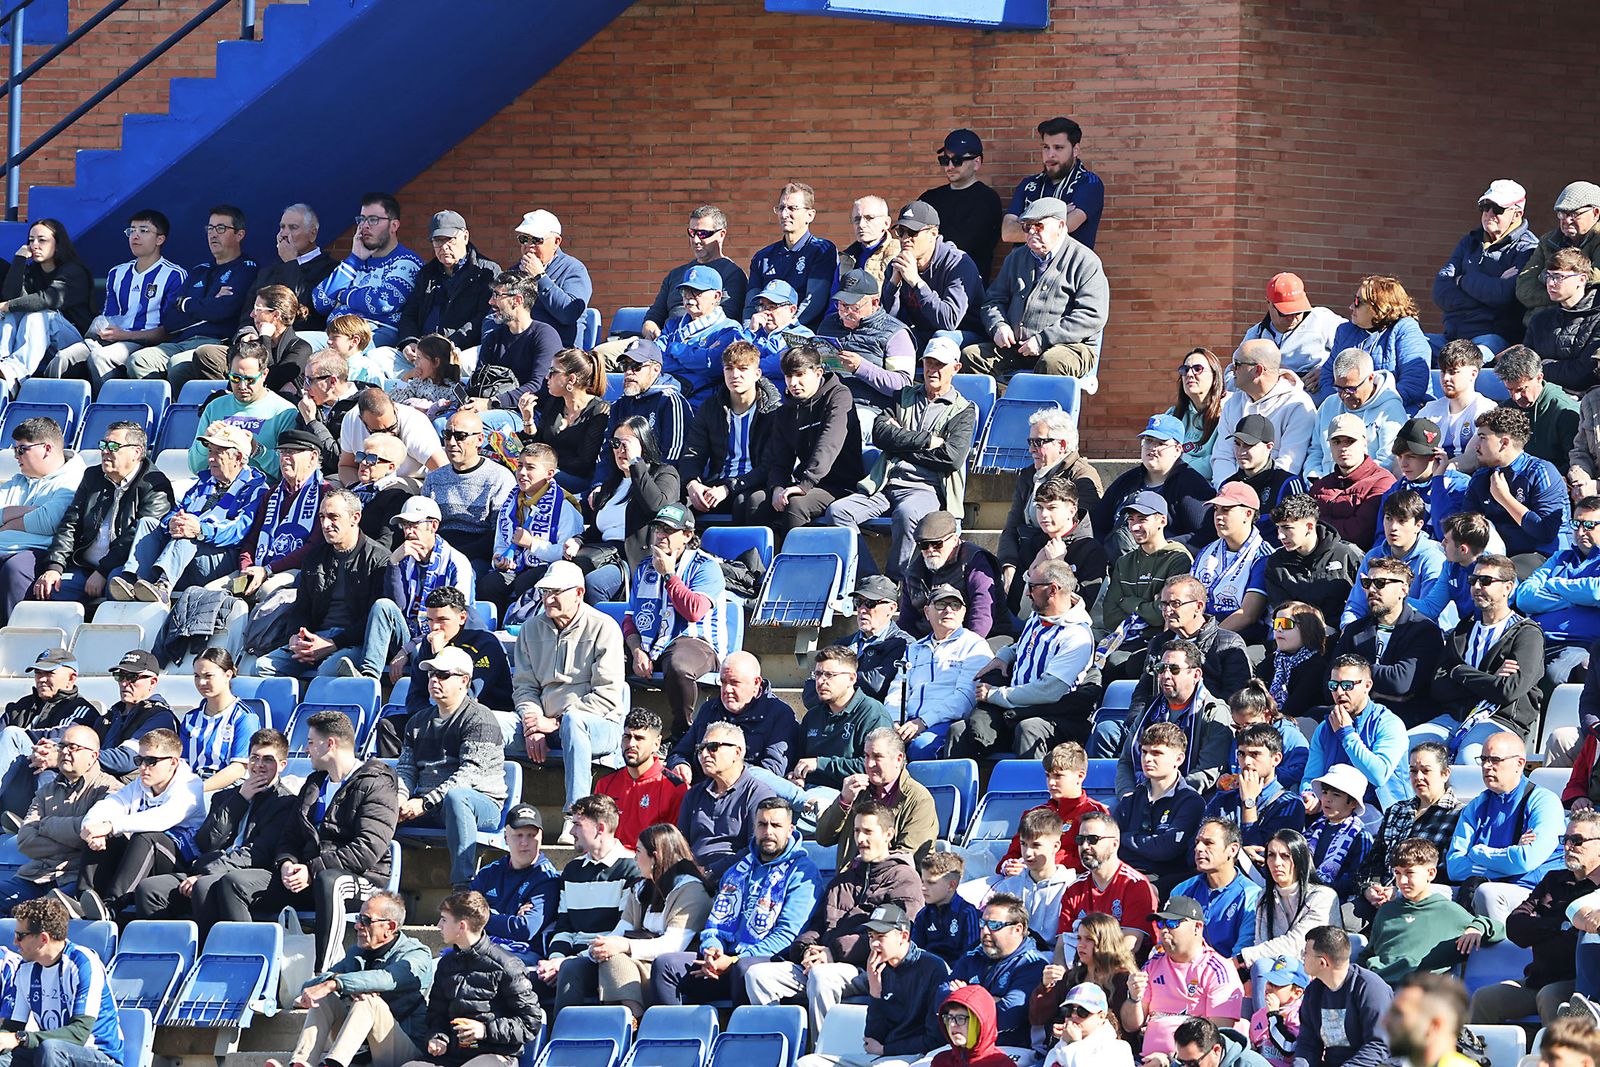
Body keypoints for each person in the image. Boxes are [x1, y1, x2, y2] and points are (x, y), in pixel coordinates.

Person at [203, 710, 396, 969]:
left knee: (330, 882)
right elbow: (290, 836)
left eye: (311, 742)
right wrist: (287, 863)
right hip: (307, 876)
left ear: (330, 744)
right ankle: (250, 966)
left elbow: (367, 850)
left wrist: (312, 870)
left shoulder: (377, 783)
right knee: (234, 883)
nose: (306, 750)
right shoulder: (314, 783)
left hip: (361, 879)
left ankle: (324, 970)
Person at [743, 800, 923, 1032]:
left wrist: (833, 953)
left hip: (872, 969)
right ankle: (783, 1046)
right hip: (824, 963)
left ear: (889, 834)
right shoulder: (843, 879)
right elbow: (817, 924)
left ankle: (823, 1049)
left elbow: (894, 937)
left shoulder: (904, 879)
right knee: (758, 975)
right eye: (857, 831)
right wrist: (807, 950)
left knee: (822, 977)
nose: (860, 839)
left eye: (868, 832)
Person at [826, 337, 978, 582]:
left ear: (956, 368)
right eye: (929, 363)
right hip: (885, 483)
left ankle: (897, 582)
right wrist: (926, 441)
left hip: (926, 488)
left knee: (907, 515)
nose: (932, 370)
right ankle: (871, 580)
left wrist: (900, 442)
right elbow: (880, 434)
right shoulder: (902, 396)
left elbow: (951, 458)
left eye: (940, 364)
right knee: (838, 512)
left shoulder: (963, 410)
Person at [649, 796, 820, 1008]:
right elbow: (716, 924)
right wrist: (712, 950)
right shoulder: (737, 870)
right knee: (665, 965)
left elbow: (787, 936)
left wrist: (733, 961)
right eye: (762, 824)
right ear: (754, 828)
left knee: (744, 969)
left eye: (776, 825)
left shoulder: (803, 873)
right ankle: (675, 1030)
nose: (768, 832)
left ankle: (738, 1029)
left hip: (769, 960)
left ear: (790, 830)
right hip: (725, 959)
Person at [133, 726, 295, 921]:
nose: (259, 765)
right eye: (254, 758)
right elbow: (206, 843)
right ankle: (166, 942)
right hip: (209, 869)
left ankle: (209, 941)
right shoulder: (224, 797)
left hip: (248, 876)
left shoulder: (285, 803)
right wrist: (240, 800)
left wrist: (207, 873)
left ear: (282, 765)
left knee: (204, 886)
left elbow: (259, 853)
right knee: (150, 889)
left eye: (267, 759)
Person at [552, 824, 711, 1020]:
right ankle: (563, 1029)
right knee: (573, 967)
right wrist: (594, 950)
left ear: (655, 856)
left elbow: (673, 945)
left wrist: (623, 946)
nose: (634, 857)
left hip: (668, 968)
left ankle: (633, 1021)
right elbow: (620, 931)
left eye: (638, 851)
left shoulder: (691, 890)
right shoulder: (641, 888)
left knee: (614, 958)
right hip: (635, 963)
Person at [4, 420, 158, 623]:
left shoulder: (154, 485)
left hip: (121, 566)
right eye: (103, 445)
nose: (105, 451)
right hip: (82, 566)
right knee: (45, 589)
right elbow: (70, 525)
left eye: (113, 446)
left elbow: (136, 536)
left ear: (136, 452)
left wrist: (102, 571)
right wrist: (54, 568)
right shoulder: (93, 476)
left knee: (117, 585)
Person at [251, 488, 402, 681]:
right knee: (262, 667)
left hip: (354, 642)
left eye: (333, 517)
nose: (325, 524)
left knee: (328, 670)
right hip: (316, 638)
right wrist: (296, 637)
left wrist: (333, 643)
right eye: (322, 517)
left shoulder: (379, 559)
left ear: (355, 518)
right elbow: (301, 607)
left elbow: (373, 622)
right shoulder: (314, 557)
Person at [269, 890, 434, 1067]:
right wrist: (337, 983)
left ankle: (333, 1065)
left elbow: (387, 978)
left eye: (366, 921)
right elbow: (312, 987)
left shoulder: (416, 954)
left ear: (390, 927)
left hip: (405, 1051)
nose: (357, 926)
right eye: (358, 918)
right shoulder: (358, 952)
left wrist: (338, 984)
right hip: (364, 1047)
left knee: (368, 1001)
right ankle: (300, 1063)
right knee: (324, 998)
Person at [949, 561, 1093, 761]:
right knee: (959, 730)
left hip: (1054, 715)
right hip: (1016, 709)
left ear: (1053, 590)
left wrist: (995, 694)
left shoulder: (1076, 636)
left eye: (1032, 587)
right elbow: (1023, 646)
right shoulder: (1038, 616)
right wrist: (1004, 656)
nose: (1026, 593)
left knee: (1028, 729)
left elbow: (1049, 691)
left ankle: (1031, 782)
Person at [1467, 809, 1600, 1024]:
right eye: (1565, 840)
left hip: (1581, 987)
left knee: (1549, 996)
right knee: (1484, 999)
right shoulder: (1553, 880)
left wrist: (1541, 926)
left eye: (1577, 841)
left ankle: (1559, 1047)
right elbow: (1515, 926)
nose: (1568, 847)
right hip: (1537, 980)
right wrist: (1564, 926)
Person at [111, 421, 268, 602]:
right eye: (210, 451)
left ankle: (163, 587)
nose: (210, 459)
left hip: (221, 557)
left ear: (238, 457)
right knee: (149, 523)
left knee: (189, 533)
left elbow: (238, 532)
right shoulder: (204, 483)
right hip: (185, 554)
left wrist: (200, 530)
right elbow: (177, 511)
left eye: (218, 453)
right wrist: (171, 523)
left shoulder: (256, 489)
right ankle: (133, 581)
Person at [395, 647, 507, 891]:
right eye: (431, 674)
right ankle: (374, 882)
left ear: (464, 681)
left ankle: (462, 887)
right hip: (428, 804)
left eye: (443, 675)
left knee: (457, 798)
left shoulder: (480, 719)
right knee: (380, 797)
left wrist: (424, 803)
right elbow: (405, 769)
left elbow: (469, 775)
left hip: (480, 804)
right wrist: (400, 799)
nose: (434, 680)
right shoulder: (417, 721)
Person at [966, 197, 1109, 379]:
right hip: (1017, 347)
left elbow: (1092, 315)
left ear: (1060, 226)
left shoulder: (1085, 261)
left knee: (1052, 362)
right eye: (1027, 227)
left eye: (1039, 226)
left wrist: (1043, 339)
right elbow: (993, 301)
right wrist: (998, 326)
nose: (1032, 231)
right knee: (971, 357)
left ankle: (1040, 400)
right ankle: (1002, 398)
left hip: (1069, 347)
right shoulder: (1016, 258)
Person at [794, 902, 951, 1067]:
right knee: (807, 1063)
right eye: (871, 937)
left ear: (903, 936)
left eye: (881, 937)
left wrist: (885, 1049)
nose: (874, 944)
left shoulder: (933, 968)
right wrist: (875, 991)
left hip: (914, 1057)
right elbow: (871, 1039)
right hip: (880, 1056)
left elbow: (935, 1039)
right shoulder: (880, 968)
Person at [43, 209, 184, 388]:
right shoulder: (117, 272)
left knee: (101, 358)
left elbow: (170, 331)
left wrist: (126, 335)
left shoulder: (174, 275)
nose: (135, 236)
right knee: (63, 357)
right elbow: (110, 316)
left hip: (145, 345)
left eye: (143, 230)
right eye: (132, 230)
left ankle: (107, 405)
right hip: (112, 339)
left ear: (160, 239)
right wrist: (102, 330)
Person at [1423, 555, 1546, 760]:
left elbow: (1507, 691)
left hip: (1500, 720)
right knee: (1407, 748)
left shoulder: (1527, 633)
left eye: (1486, 581)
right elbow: (1438, 687)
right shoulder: (1463, 629)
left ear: (1508, 587)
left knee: (1469, 757)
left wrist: (1458, 671)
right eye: (1473, 580)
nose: (1477, 587)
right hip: (1455, 717)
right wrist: (1490, 677)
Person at [73, 728, 203, 918]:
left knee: (146, 837)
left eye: (151, 761)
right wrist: (91, 827)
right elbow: (110, 803)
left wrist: (110, 826)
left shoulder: (190, 785)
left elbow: (163, 818)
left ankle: (111, 907)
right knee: (107, 837)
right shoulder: (140, 784)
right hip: (144, 855)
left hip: (181, 860)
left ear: (173, 762)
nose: (142, 767)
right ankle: (84, 900)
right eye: (139, 760)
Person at [404, 891, 543, 1067]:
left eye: (444, 920)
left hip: (497, 1055)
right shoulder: (446, 964)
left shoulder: (507, 965)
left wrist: (485, 1030)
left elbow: (531, 1022)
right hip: (454, 1055)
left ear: (462, 926)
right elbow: (436, 1015)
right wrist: (438, 1037)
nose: (439, 926)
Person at [621, 503, 725, 735]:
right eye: (658, 529)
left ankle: (683, 734)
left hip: (694, 641)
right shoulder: (644, 567)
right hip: (648, 643)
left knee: (679, 666)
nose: (660, 535)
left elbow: (694, 611)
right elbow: (630, 619)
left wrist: (669, 575)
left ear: (687, 535)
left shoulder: (706, 566)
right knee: (606, 659)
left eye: (668, 530)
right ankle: (617, 730)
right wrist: (637, 651)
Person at [127, 206, 259, 387]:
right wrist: (208, 303)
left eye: (221, 228)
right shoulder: (199, 271)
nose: (213, 234)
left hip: (215, 344)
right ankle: (164, 403)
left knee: (177, 365)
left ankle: (183, 406)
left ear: (239, 235)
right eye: (210, 228)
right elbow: (170, 321)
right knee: (138, 360)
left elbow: (223, 310)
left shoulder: (246, 268)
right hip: (181, 342)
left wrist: (185, 304)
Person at [1443, 731, 1563, 919]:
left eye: (1495, 760)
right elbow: (1455, 867)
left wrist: (1478, 852)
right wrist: (1507, 861)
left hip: (1530, 893)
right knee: (1430, 893)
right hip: (1481, 885)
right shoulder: (1476, 805)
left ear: (1520, 763)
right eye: (1483, 759)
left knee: (1487, 893)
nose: (1486, 766)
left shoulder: (1544, 801)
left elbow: (1526, 860)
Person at [533, 794, 640, 995]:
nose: (571, 831)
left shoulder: (631, 868)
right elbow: (564, 927)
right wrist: (555, 959)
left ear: (600, 828)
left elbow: (621, 932)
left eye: (577, 825)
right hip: (569, 959)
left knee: (570, 972)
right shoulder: (572, 870)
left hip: (605, 958)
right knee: (521, 980)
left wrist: (568, 962)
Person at [999, 409, 1104, 611]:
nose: (1031, 449)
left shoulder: (1083, 475)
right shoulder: (1028, 475)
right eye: (1030, 442)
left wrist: (1055, 563)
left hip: (1065, 556)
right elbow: (1011, 525)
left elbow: (1082, 527)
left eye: (1038, 442)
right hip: (1029, 551)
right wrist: (1008, 564)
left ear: (1062, 445)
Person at [0, 725, 115, 911]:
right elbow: (25, 840)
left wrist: (46, 825)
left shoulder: (109, 789)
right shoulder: (46, 791)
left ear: (93, 756)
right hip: (36, 876)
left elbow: (92, 832)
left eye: (73, 747)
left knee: (41, 911)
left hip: (74, 879)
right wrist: (73, 840)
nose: (65, 752)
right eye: (62, 746)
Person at [0, 896, 123, 1067]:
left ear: (43, 939)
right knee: (5, 1055)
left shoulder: (84, 963)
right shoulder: (25, 970)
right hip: (52, 1053)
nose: (14, 942)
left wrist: (20, 1038)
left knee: (51, 1049)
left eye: (20, 936)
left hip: (99, 1055)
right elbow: (14, 1026)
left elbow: (79, 1034)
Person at [757, 342, 865, 534]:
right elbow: (780, 458)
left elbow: (829, 443)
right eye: (788, 376)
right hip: (804, 482)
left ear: (818, 373)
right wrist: (777, 486)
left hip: (841, 485)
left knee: (796, 505)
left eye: (800, 375)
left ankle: (793, 554)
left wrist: (805, 484)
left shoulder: (839, 396)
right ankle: (758, 555)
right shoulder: (785, 411)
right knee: (755, 502)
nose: (793, 383)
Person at [1361, 839, 1502, 983]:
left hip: (1416, 989)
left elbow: (1499, 928)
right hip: (1376, 983)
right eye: (1397, 873)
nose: (1402, 881)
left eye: (1409, 873)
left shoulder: (1448, 911)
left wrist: (1477, 927)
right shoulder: (1386, 910)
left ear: (1431, 873)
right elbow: (1368, 953)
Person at [1124, 895, 1245, 1059]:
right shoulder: (1152, 965)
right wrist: (1134, 998)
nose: (1164, 930)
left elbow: (1217, 1039)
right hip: (1146, 1059)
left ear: (1197, 927)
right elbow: (1130, 1025)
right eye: (1161, 924)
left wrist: (1170, 1060)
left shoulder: (1218, 970)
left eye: (1173, 923)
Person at [1330, 557, 1444, 729]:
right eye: (1367, 583)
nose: (1371, 589)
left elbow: (1400, 682)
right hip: (1352, 717)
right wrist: (1372, 690)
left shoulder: (1424, 631)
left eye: (1380, 583)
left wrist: (1354, 679)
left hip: (1405, 722)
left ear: (1403, 589)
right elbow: (1330, 681)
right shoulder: (1355, 630)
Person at [1355, 742, 1462, 923]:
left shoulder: (1458, 815)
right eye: (1413, 771)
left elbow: (1446, 872)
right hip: (1380, 896)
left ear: (1445, 774)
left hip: (1420, 903)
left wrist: (1399, 891)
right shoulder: (1396, 810)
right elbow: (1374, 859)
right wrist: (1369, 888)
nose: (1418, 777)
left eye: (1426, 771)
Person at [1432, 180, 1538, 357]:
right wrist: (1489, 291)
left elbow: (1503, 296)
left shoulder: (1528, 249)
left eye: (1497, 209)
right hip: (1453, 336)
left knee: (1467, 360)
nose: (1489, 214)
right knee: (1411, 349)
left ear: (1517, 214)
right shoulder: (1470, 242)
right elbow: (1440, 292)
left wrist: (1463, 280)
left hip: (1494, 339)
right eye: (1484, 207)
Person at [679, 341, 782, 524]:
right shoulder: (710, 408)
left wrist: (728, 488)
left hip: (755, 483)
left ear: (757, 374)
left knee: (744, 502)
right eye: (729, 369)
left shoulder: (773, 411)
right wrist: (692, 483)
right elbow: (693, 453)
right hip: (718, 483)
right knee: (673, 505)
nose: (735, 375)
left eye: (743, 369)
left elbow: (770, 465)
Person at [1112, 642, 1231, 797]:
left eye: (1174, 669)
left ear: (1196, 675)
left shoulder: (1214, 712)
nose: (1165, 676)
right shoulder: (1150, 709)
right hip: (1141, 796)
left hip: (1191, 799)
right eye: (1161, 668)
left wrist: (1166, 797)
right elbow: (1126, 761)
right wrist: (1127, 795)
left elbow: (1206, 772)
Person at [308, 193, 423, 353]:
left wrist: (344, 296)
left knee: (304, 347)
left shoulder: (407, 261)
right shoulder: (356, 262)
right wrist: (354, 259)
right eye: (362, 219)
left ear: (394, 226)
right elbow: (320, 301)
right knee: (293, 344)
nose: (365, 226)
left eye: (373, 220)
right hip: (334, 335)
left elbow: (383, 302)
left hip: (372, 336)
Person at [1091, 414, 1216, 560]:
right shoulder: (1126, 481)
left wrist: (1159, 548)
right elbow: (1097, 525)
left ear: (1177, 450)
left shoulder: (1191, 486)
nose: (1152, 448)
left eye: (1161, 443)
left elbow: (1205, 535)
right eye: (1148, 441)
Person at [888, 586, 991, 761]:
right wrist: (895, 721)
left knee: (921, 747)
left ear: (963, 612)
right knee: (877, 744)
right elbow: (897, 689)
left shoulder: (975, 646)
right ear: (927, 612)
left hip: (946, 723)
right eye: (941, 604)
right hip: (908, 723)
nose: (948, 610)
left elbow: (964, 699)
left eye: (955, 605)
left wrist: (923, 722)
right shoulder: (914, 649)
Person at [667, 652, 797, 790]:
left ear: (756, 683)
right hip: (701, 793)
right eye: (723, 682)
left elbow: (773, 771)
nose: (727, 690)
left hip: (749, 795)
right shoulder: (709, 709)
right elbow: (680, 752)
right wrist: (681, 765)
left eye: (735, 683)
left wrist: (725, 774)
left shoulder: (779, 714)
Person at [390, 586, 513, 729]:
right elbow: (415, 697)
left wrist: (440, 655)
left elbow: (466, 697)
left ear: (462, 617)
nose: (435, 627)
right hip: (438, 716)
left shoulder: (487, 644)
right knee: (389, 726)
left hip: (481, 718)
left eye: (442, 620)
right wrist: (429, 721)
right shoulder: (429, 642)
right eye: (430, 620)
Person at [1299, 655, 1409, 815]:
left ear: (1367, 685)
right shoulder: (1324, 729)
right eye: (1333, 685)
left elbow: (1378, 776)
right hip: (1337, 811)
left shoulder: (1388, 723)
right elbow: (1311, 777)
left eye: (1347, 685)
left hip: (1384, 813)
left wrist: (1346, 735)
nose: (1339, 692)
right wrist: (1310, 794)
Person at [813, 728, 938, 869]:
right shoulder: (856, 791)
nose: (869, 764)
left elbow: (906, 859)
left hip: (890, 881)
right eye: (866, 756)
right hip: (849, 880)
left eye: (877, 757)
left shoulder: (919, 800)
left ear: (898, 759)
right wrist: (844, 802)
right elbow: (823, 837)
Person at [943, 895, 1051, 1057]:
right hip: (966, 1045)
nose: (985, 931)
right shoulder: (973, 955)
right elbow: (941, 997)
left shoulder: (1033, 964)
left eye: (994, 925)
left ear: (1017, 929)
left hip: (1013, 1049)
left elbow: (1009, 1015)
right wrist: (989, 1001)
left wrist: (965, 997)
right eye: (983, 924)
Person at [790, 645, 892, 812]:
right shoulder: (813, 716)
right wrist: (796, 776)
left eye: (829, 675)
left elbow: (875, 766)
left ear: (852, 678)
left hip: (849, 798)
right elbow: (800, 760)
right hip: (806, 791)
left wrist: (820, 764)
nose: (821, 681)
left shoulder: (873, 714)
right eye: (818, 674)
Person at [626, 205, 747, 344]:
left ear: (721, 235)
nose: (695, 240)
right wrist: (651, 329)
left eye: (703, 234)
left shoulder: (733, 274)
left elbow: (724, 319)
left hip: (699, 343)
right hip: (662, 340)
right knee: (608, 352)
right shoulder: (676, 274)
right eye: (692, 232)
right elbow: (654, 315)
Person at [489, 446, 583, 619]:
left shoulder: (564, 507)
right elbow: (501, 542)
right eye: (519, 465)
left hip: (547, 569)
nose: (522, 472)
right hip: (516, 567)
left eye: (530, 467)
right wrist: (499, 558)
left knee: (526, 582)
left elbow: (565, 554)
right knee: (490, 584)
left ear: (549, 473)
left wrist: (532, 543)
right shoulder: (510, 502)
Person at [1111, 722, 1205, 895]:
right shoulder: (1131, 800)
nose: (1147, 759)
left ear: (1179, 759)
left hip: (1166, 887)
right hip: (1124, 877)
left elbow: (1166, 850)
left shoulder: (1191, 802)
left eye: (1157, 753)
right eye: (1144, 752)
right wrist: (1147, 842)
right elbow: (1109, 843)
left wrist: (1124, 838)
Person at [675, 722, 776, 879]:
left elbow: (756, 848)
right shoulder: (693, 794)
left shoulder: (759, 794)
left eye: (713, 747)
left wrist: (711, 871)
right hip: (692, 878)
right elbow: (680, 844)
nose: (704, 754)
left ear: (737, 752)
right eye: (700, 749)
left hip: (737, 878)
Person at [1212, 339, 1319, 487]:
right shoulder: (1232, 403)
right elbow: (1222, 456)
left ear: (1258, 370)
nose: (1231, 370)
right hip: (1231, 493)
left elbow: (1289, 463)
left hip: (1274, 494)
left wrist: (1252, 495)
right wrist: (1230, 491)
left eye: (1237, 364)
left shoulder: (1298, 405)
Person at [422, 410, 515, 580]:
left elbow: (499, 532)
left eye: (460, 436)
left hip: (478, 554)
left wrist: (455, 555)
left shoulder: (500, 478)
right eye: (447, 435)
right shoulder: (434, 478)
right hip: (438, 550)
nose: (451, 442)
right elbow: (424, 525)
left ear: (480, 439)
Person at [184, 344, 299, 479]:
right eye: (236, 378)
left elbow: (289, 472)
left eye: (250, 380)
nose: (242, 386)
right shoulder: (214, 407)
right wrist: (205, 444)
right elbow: (195, 468)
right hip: (219, 487)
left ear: (264, 374)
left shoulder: (284, 412)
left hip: (263, 489)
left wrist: (257, 450)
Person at [1518, 495, 1600, 684]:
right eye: (1576, 524)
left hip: (1579, 645)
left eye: (1589, 525)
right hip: (1534, 640)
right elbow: (1524, 597)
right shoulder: (1560, 557)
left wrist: (1554, 584)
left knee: (1553, 674)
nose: (1580, 532)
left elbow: (1596, 592)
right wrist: (1577, 599)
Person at [1203, 721, 1308, 867]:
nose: (1246, 761)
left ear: (1276, 759)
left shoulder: (1289, 805)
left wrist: (1249, 803)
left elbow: (1264, 862)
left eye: (1255, 754)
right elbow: (1194, 852)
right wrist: (1238, 854)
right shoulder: (1223, 799)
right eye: (1241, 754)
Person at [1339, 490, 1450, 628]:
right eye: (1388, 518)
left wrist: (1388, 598)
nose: (1393, 527)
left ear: (1418, 525)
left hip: (1416, 633)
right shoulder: (1373, 556)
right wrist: (1348, 629)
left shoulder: (1433, 559)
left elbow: (1429, 612)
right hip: (1375, 631)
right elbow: (1356, 607)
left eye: (1402, 521)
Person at [881, 201, 985, 348]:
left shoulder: (958, 263)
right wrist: (893, 285)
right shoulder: (898, 265)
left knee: (940, 339)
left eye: (912, 232)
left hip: (965, 336)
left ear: (933, 234)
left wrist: (916, 282)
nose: (905, 238)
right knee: (890, 339)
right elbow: (887, 321)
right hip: (923, 334)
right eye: (901, 232)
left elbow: (948, 321)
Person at [1099, 491, 1194, 650]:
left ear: (1162, 521)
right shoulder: (1124, 562)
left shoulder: (1178, 559)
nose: (1134, 527)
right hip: (1123, 641)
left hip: (1158, 644)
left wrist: (1128, 602)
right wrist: (1148, 609)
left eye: (1142, 519)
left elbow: (1163, 615)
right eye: (1131, 519)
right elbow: (1110, 616)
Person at [1316, 277, 1431, 408]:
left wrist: (1371, 406)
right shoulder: (1345, 331)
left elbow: (1413, 383)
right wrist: (1339, 405)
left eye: (1358, 302)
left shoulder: (1405, 329)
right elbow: (1328, 375)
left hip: (1397, 410)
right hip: (1347, 408)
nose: (1351, 306)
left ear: (1379, 306)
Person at [469, 804, 562, 963]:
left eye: (531, 835)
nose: (524, 842)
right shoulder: (489, 873)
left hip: (522, 954)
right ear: (506, 837)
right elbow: (462, 914)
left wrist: (482, 916)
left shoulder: (546, 878)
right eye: (518, 835)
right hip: (482, 948)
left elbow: (525, 929)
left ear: (541, 837)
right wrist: (510, 918)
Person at [1055, 810, 1158, 951]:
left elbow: (1131, 944)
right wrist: (1059, 965)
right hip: (1081, 962)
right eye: (1080, 840)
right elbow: (1062, 945)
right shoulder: (1074, 889)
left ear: (1115, 844)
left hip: (1124, 963)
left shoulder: (1134, 884)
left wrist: (1094, 963)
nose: (1085, 846)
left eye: (1093, 839)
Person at [1240, 831, 1337, 979]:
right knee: (1259, 967)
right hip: (1275, 973)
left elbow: (1297, 944)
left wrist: (1241, 958)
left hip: (1315, 974)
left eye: (1285, 856)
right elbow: (1261, 944)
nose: (1276, 863)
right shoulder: (1264, 897)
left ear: (1300, 858)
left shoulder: (1323, 896)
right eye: (1271, 855)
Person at [814, 269, 915, 411]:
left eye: (854, 307)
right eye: (842, 305)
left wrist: (861, 367)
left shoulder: (896, 334)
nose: (845, 313)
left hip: (867, 408)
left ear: (874, 303)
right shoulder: (828, 325)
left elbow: (903, 386)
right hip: (824, 404)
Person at [742, 183, 839, 329]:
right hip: (765, 333)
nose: (784, 214)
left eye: (792, 208)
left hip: (802, 334)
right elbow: (751, 305)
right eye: (781, 208)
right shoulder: (762, 257)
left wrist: (784, 330)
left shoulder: (822, 250)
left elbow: (813, 302)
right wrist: (749, 330)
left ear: (810, 215)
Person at [1294, 926, 1392, 1067]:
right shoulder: (1314, 992)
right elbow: (1308, 1043)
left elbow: (1380, 1045)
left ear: (1322, 962)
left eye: (1306, 953)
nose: (1303, 957)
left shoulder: (1371, 988)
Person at [1168, 818, 1266, 961]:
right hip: (1181, 970)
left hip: (1227, 972)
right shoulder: (1181, 891)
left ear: (1232, 849)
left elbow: (1241, 955)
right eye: (1197, 842)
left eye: (1208, 843)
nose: (1198, 848)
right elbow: (1167, 943)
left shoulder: (1252, 896)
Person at [188, 284, 313, 394]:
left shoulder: (301, 348)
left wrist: (265, 338)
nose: (252, 314)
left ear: (275, 315)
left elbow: (271, 381)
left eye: (258, 309)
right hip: (243, 401)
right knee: (187, 368)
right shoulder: (255, 341)